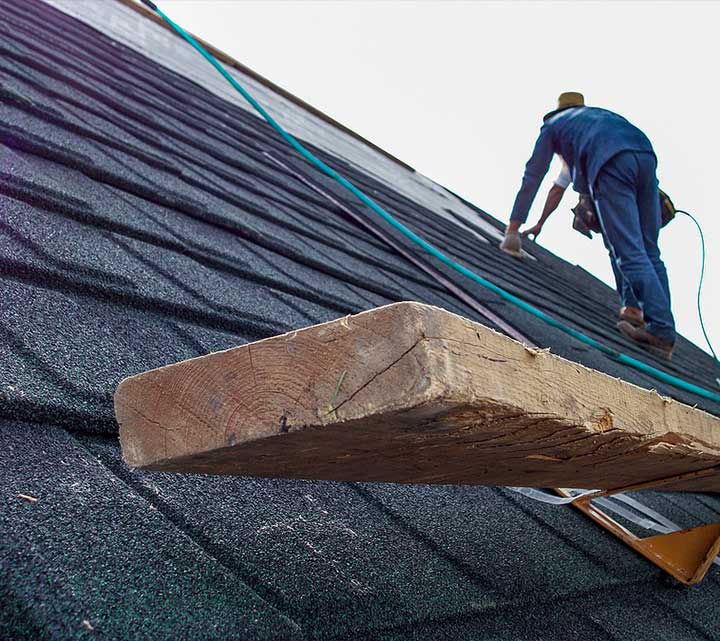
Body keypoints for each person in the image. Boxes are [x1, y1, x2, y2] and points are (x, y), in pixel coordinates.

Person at [500, 92, 676, 357]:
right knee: (649, 250)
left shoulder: (553, 127)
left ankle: (660, 329)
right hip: (645, 155)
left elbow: (534, 173)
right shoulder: (596, 118)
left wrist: (514, 228)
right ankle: (641, 312)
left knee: (628, 251)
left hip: (611, 163)